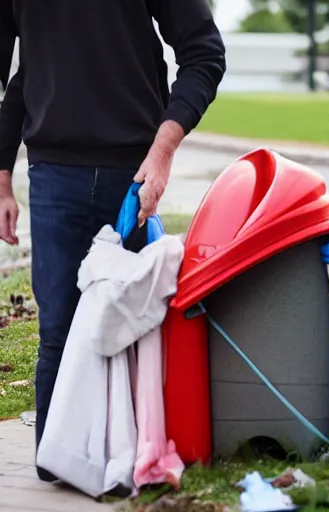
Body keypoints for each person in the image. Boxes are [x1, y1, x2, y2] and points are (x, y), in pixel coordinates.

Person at [0, 0, 226, 481]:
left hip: (133, 172)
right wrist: (2, 177)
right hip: (53, 173)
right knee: (58, 327)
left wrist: (163, 152)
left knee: (132, 326)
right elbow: (20, 77)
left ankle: (130, 455)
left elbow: (204, 53)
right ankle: (59, 461)